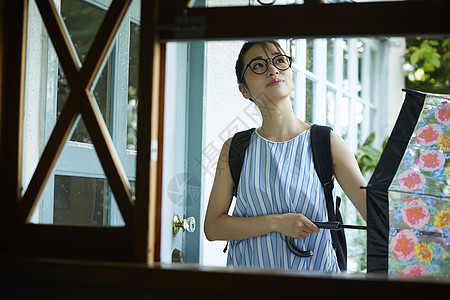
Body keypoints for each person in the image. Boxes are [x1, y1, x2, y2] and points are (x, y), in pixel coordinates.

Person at [204, 40, 367, 271]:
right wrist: (276, 223)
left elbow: (375, 215)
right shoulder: (234, 148)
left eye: (280, 61)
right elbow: (213, 227)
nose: (273, 69)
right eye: (258, 65)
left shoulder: (325, 142)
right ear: (244, 90)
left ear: (291, 75)